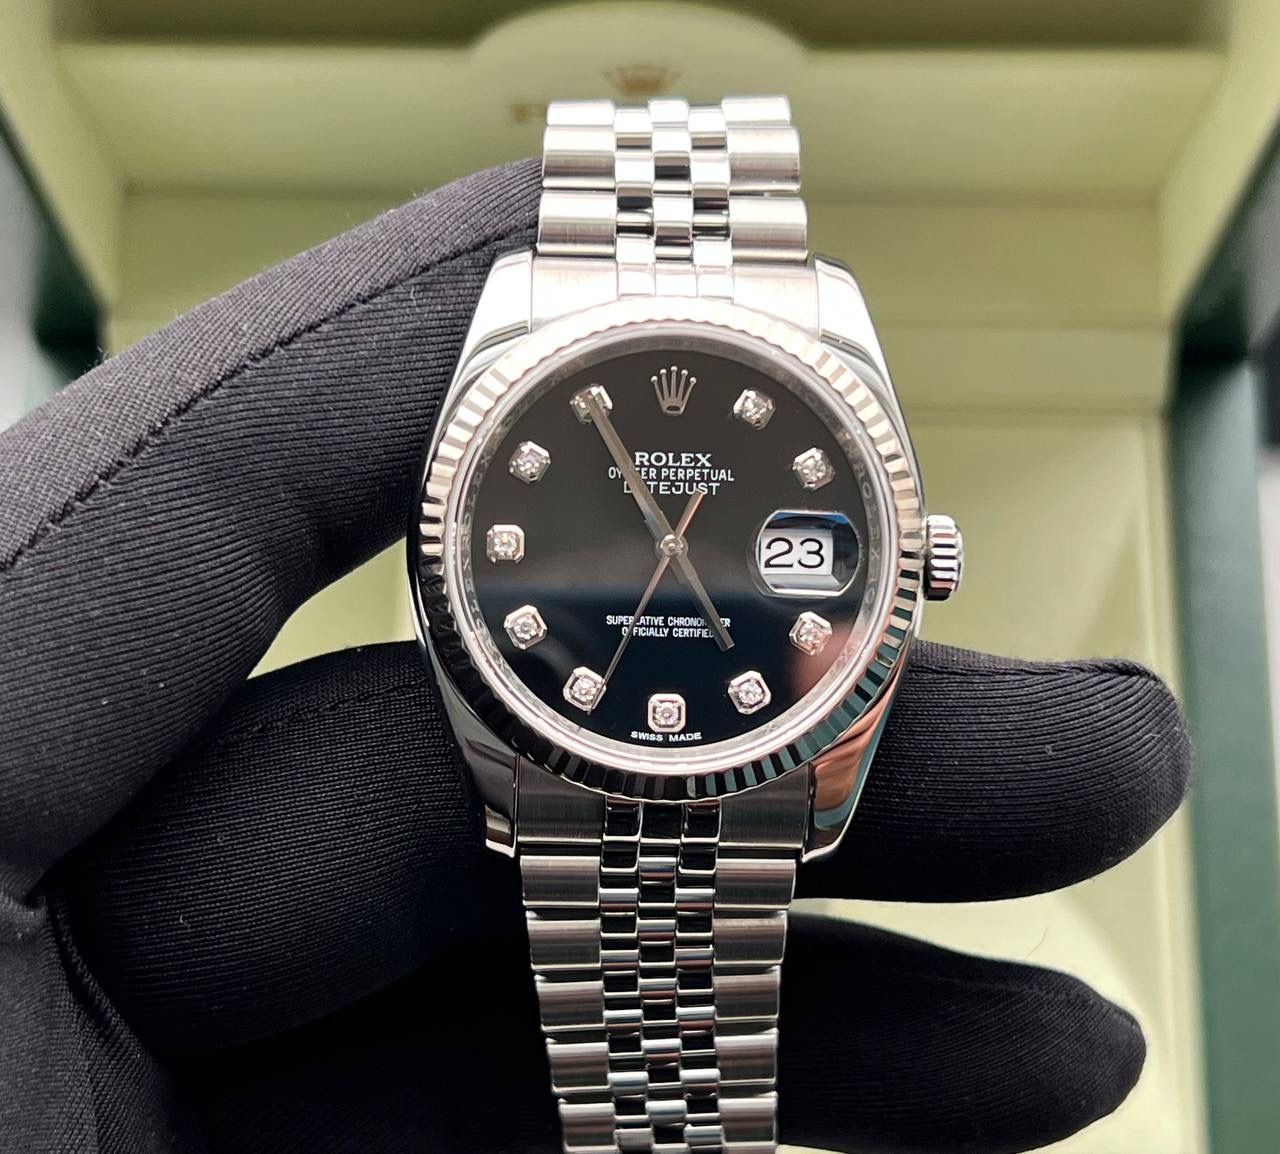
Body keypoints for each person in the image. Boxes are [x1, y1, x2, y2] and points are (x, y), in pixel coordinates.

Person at [0, 160, 1190, 1154]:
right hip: (574, 736)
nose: (672, 544)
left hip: (687, 732)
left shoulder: (796, 369)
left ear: (915, 558)